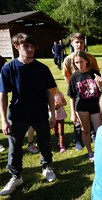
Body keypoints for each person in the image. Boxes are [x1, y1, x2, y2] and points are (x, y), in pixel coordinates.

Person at [0, 33, 57, 196]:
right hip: (17, 115)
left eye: (32, 46)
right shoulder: (8, 69)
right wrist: (4, 120)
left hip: (40, 114)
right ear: (17, 46)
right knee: (14, 148)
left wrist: (52, 114)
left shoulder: (42, 69)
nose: (30, 49)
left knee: (45, 143)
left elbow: (50, 92)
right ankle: (16, 176)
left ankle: (46, 167)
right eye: (26, 46)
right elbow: (2, 95)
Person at [62, 32, 100, 151]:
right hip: (79, 93)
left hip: (92, 93)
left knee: (95, 123)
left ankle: (94, 137)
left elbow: (97, 76)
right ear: (72, 43)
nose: (79, 44)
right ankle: (78, 140)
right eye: (76, 42)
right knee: (80, 124)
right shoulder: (68, 60)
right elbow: (67, 78)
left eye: (81, 42)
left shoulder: (91, 58)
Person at [67, 51, 102, 161]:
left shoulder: (95, 73)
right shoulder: (74, 77)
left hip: (95, 106)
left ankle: (101, 151)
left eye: (81, 62)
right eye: (76, 62)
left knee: (100, 131)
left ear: (87, 61)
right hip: (81, 107)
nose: (79, 64)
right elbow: (72, 97)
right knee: (85, 130)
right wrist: (73, 114)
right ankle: (90, 152)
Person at [51, 87, 67, 153]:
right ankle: (59, 140)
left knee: (61, 131)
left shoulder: (59, 94)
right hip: (52, 117)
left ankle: (62, 145)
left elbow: (65, 103)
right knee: (55, 132)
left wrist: (60, 104)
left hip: (61, 116)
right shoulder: (47, 96)